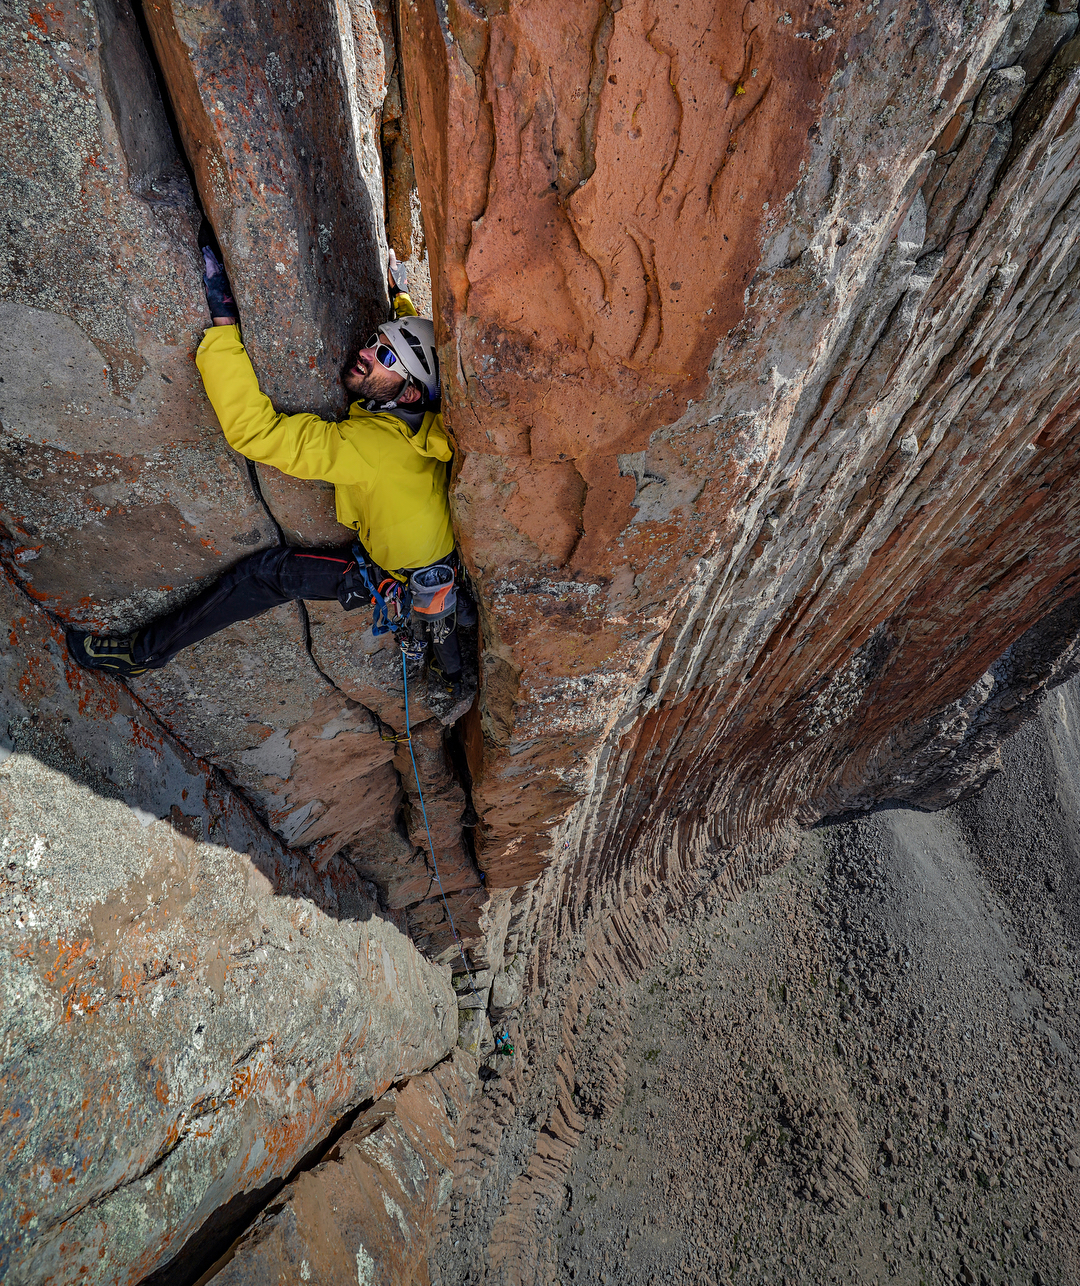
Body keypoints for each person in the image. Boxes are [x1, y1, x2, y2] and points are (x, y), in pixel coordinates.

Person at [67, 236, 473, 706]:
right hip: (433, 564)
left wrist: (223, 331)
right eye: (373, 342)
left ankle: (142, 653)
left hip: (395, 575)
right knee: (438, 618)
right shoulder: (427, 422)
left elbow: (255, 433)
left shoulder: (368, 447)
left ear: (405, 395)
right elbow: (412, 346)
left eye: (383, 358)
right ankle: (453, 664)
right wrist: (399, 295)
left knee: (262, 576)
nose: (365, 352)